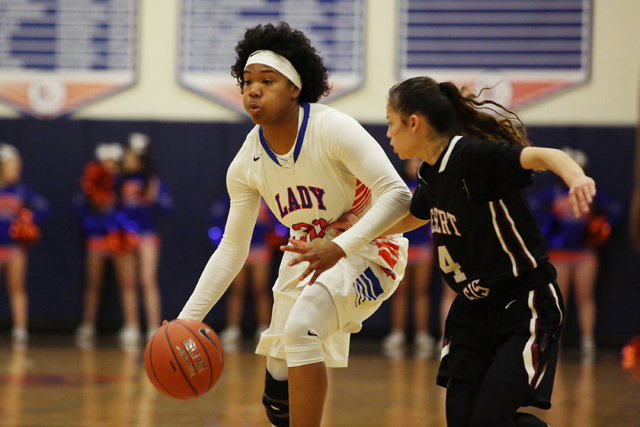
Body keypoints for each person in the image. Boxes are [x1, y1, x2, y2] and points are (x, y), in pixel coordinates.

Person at [177, 22, 412, 427]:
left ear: (294, 89)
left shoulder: (331, 128)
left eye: (267, 81)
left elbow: (398, 195)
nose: (253, 89)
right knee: (277, 393)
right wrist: (187, 321)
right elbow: (233, 249)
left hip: (370, 246)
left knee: (303, 329)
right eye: (247, 81)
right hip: (306, 254)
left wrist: (340, 246)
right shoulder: (244, 164)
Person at [380, 76, 595, 426]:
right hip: (472, 311)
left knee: (488, 420)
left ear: (413, 123)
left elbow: (544, 155)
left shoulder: (473, 156)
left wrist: (576, 177)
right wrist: (353, 232)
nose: (388, 133)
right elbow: (412, 217)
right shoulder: (431, 172)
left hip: (523, 303)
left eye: (391, 124)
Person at [529, 147, 621, 363]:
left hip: (584, 253)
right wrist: (548, 228)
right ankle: (554, 341)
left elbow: (615, 210)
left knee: (585, 298)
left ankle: (588, 342)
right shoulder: (552, 195)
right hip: (559, 254)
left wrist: (600, 228)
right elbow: (532, 208)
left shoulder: (591, 192)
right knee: (558, 301)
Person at [75, 143, 141, 347]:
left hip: (120, 237)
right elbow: (77, 207)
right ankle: (88, 325)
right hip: (97, 237)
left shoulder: (125, 184)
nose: (110, 166)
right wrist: (92, 221)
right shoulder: (91, 183)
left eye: (114, 162)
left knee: (127, 283)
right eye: (106, 162)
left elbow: (135, 209)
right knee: (93, 283)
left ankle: (132, 326)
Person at [121, 133, 173, 341]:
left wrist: (154, 197)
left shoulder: (152, 181)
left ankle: (153, 325)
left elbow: (168, 208)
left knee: (147, 280)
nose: (126, 159)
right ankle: (131, 326)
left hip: (147, 235)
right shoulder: (120, 180)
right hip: (124, 235)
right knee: (128, 282)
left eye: (130, 155)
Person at [382, 158, 436, 357]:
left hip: (423, 247)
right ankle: (397, 333)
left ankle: (422, 334)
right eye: (411, 162)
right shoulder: (399, 187)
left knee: (421, 291)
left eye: (418, 162)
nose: (414, 165)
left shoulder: (429, 187)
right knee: (399, 291)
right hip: (400, 245)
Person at [210, 197, 278, 350]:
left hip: (261, 246)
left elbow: (277, 222)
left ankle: (264, 327)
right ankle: (233, 328)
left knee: (261, 288)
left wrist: (272, 237)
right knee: (237, 288)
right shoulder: (236, 194)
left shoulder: (268, 198)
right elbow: (219, 217)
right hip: (239, 246)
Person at [0, 143, 49, 345]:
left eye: (18, 167)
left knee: (17, 288)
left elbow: (44, 208)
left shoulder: (21, 191)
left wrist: (27, 219)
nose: (16, 171)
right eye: (12, 166)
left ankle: (20, 330)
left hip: (14, 247)